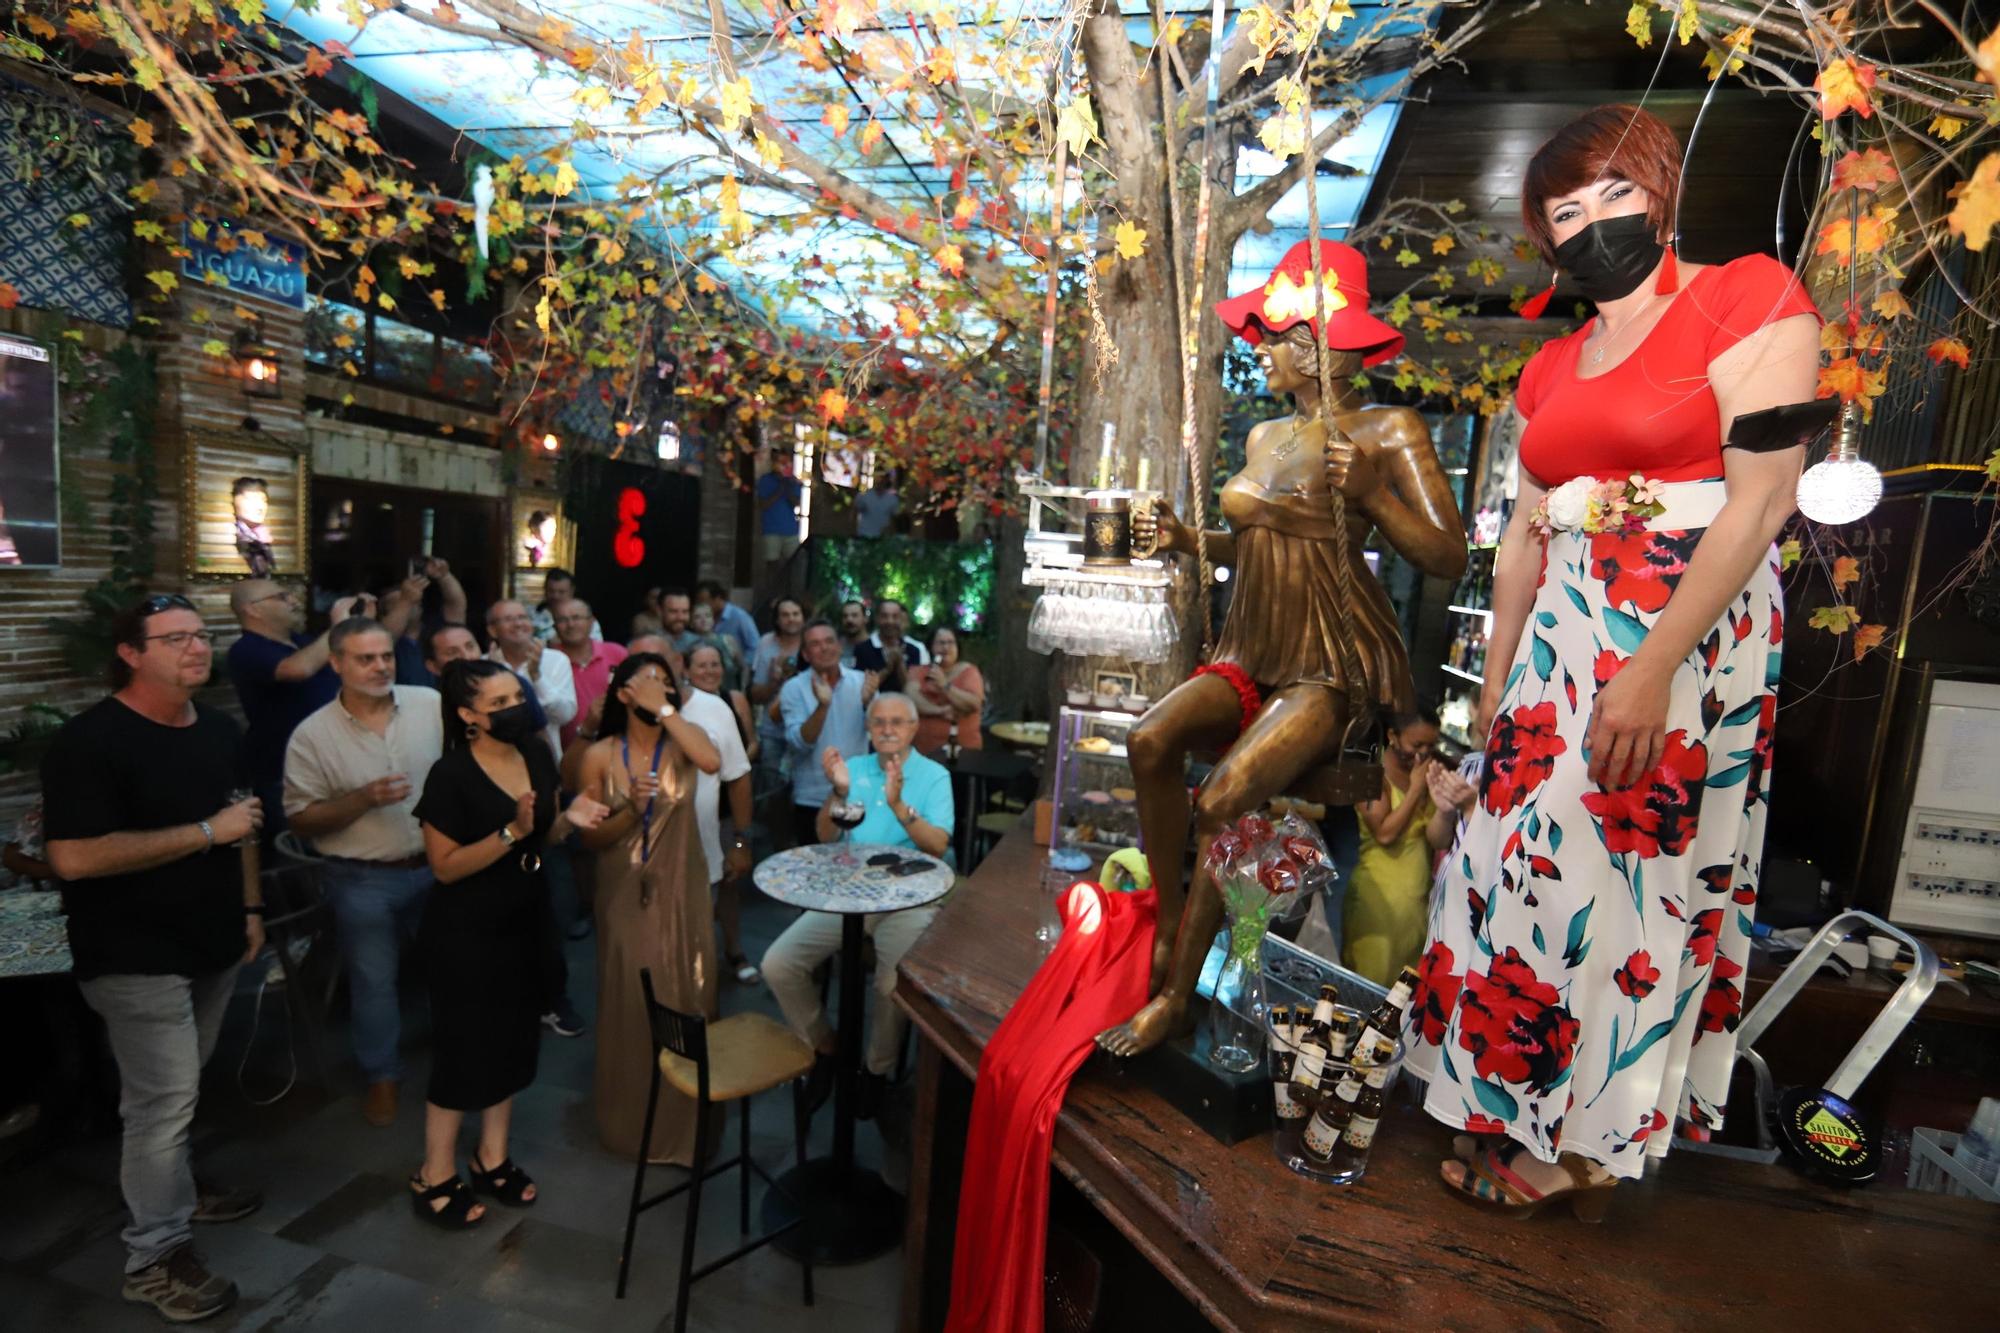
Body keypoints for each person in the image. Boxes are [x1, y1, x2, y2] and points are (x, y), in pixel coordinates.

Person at [1408, 105, 1820, 1214]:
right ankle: (1510, 1097)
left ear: (1658, 193)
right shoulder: (1548, 368)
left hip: (1682, 625)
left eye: (1613, 197)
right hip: (1557, 631)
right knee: (1513, 865)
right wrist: (1494, 691)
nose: (1594, 224)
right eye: (1565, 213)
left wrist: (1649, 667)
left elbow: (1763, 500)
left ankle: (1585, 1137)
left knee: (1627, 877)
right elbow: (1518, 542)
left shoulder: (1746, 296)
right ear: (1544, 242)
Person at [42, 593, 266, 1321]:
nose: (196, 648)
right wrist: (206, 830)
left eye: (201, 636)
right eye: (175, 639)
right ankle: (155, 1255)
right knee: (162, 1102)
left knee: (177, 1092)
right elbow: (72, 857)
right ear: (132, 654)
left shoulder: (223, 728)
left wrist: (252, 907)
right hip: (132, 954)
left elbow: (247, 826)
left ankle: (174, 1190)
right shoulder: (90, 742)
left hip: (214, 939)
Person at [408, 661, 607, 1229]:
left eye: (515, 696)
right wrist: (511, 833)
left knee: (515, 1041)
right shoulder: (450, 775)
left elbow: (546, 834)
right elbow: (444, 868)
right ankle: (434, 1172)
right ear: (468, 716)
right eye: (497, 704)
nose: (513, 709)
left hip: (526, 916)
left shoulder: (537, 753)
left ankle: (491, 1155)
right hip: (466, 930)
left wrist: (568, 818)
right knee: (464, 1048)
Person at [283, 617, 443, 1127]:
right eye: (365, 658)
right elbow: (301, 818)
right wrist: (361, 800)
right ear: (336, 664)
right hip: (362, 876)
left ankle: (461, 1058)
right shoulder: (312, 735)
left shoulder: (430, 704)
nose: (380, 667)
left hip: (437, 863)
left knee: (454, 963)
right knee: (374, 981)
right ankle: (382, 1077)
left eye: (386, 657)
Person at [762, 692, 952, 1118]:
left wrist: (900, 806)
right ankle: (826, 1047)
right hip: (849, 893)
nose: (887, 729)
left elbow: (938, 847)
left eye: (897, 722)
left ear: (914, 727)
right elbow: (825, 837)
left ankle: (876, 1071)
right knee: (778, 963)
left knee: (890, 985)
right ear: (868, 729)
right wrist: (838, 790)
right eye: (878, 721)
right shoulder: (855, 768)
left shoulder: (934, 775)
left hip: (911, 897)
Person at [574, 655, 723, 1162]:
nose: (663, 689)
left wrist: (665, 712)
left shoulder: (682, 740)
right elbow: (590, 841)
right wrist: (629, 811)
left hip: (684, 888)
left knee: (689, 995)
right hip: (624, 893)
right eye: (649, 683)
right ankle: (634, 1127)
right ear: (622, 695)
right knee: (635, 1004)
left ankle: (689, 1131)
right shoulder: (598, 755)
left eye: (668, 682)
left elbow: (711, 761)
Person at [483, 599, 584, 1037]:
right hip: (492, 782)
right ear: (493, 629)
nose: (520, 624)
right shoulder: (480, 667)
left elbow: (562, 714)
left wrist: (538, 676)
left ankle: (551, 994)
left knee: (551, 886)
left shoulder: (555, 659)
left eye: (524, 617)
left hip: (545, 775)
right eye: (509, 619)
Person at [227, 580, 361, 838]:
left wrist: (359, 624)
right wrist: (337, 627)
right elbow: (297, 669)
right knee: (301, 849)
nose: (294, 602)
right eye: (282, 597)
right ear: (253, 610)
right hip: (285, 772)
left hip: (333, 761)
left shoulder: (303, 641)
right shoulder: (245, 650)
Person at [1341, 707, 1440, 987]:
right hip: (1378, 903)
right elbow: (1384, 833)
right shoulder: (1372, 777)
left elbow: (1436, 838)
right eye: (1416, 744)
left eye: (1431, 745)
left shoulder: (1425, 773)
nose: (1423, 753)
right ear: (1393, 736)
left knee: (1402, 994)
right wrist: (1416, 790)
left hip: (1416, 907)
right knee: (1368, 988)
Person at [684, 642, 760, 984]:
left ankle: (734, 950)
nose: (709, 671)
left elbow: (750, 743)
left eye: (715, 664)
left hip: (728, 803)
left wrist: (734, 756)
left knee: (729, 882)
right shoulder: (679, 708)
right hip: (696, 808)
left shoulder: (734, 700)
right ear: (686, 670)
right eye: (701, 665)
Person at [779, 620, 874, 847]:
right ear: (805, 653)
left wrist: (868, 704)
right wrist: (823, 706)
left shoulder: (862, 683)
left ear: (840, 646)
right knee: (815, 873)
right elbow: (800, 744)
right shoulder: (793, 688)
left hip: (857, 794)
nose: (824, 648)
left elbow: (880, 737)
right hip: (812, 798)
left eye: (829, 641)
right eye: (815, 644)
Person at [749, 597, 806, 807]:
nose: (791, 619)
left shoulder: (812, 643)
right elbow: (755, 694)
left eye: (795, 614)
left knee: (799, 791)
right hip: (772, 730)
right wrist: (775, 681)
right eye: (785, 615)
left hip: (803, 729)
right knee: (771, 793)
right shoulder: (766, 643)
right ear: (777, 619)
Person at [552, 599, 627, 751]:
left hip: (617, 749)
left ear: (591, 622)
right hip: (568, 754)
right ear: (554, 626)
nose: (570, 625)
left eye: (576, 617)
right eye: (562, 620)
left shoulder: (616, 653)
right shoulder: (550, 660)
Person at [387, 558, 468, 687]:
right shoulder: (390, 643)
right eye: (398, 603)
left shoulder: (435, 631)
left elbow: (456, 605)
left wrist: (444, 576)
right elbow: (385, 637)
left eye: (413, 597)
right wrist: (405, 601)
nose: (411, 599)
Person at [912, 626, 984, 754]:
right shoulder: (918, 671)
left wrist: (945, 686)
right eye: (941, 643)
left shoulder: (969, 672)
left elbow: (973, 704)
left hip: (962, 751)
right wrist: (940, 711)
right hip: (924, 751)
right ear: (931, 647)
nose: (946, 647)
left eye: (951, 642)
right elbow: (911, 699)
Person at [851, 597, 927, 694]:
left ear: (901, 619)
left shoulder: (913, 650)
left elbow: (915, 692)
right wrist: (888, 669)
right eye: (884, 616)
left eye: (895, 617)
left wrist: (899, 663)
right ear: (877, 618)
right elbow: (860, 690)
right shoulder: (862, 649)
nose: (890, 621)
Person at [697, 578, 761, 672]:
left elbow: (755, 646)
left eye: (705, 601)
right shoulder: (705, 618)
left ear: (717, 598)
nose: (702, 605)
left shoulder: (739, 616)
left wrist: (742, 667)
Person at [532, 568, 602, 645]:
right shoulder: (530, 615)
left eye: (561, 592)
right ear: (544, 589)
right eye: (551, 591)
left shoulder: (584, 618)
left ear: (572, 591)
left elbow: (596, 646)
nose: (556, 596)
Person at [685, 601, 743, 693]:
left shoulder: (728, 640)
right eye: (697, 617)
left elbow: (742, 668)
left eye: (707, 616)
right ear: (691, 623)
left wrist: (743, 691)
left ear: (713, 620)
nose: (703, 620)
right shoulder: (689, 646)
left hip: (731, 696)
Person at [756, 456, 803, 568]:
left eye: (786, 463)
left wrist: (788, 485)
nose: (784, 466)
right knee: (772, 565)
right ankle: (771, 586)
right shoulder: (765, 480)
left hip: (791, 531)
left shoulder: (792, 481)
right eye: (780, 463)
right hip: (771, 530)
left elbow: (796, 503)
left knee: (795, 564)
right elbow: (763, 505)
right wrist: (780, 488)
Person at [421, 621, 483, 686]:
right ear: (433, 666)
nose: (466, 657)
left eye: (470, 647)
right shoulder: (429, 695)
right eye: (452, 652)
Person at [854, 470, 900, 538]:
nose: (880, 480)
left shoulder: (893, 499)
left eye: (883, 478)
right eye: (878, 477)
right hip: (863, 535)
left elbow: (894, 519)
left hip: (882, 538)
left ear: (887, 480)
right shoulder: (863, 496)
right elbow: (854, 513)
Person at [659, 587, 697, 658]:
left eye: (685, 611)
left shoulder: (697, 642)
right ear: (660, 611)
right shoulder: (646, 642)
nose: (680, 617)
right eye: (673, 611)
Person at [836, 599, 868, 666]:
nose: (849, 620)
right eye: (845, 616)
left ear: (865, 618)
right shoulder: (835, 646)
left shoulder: (875, 646)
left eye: (854, 615)